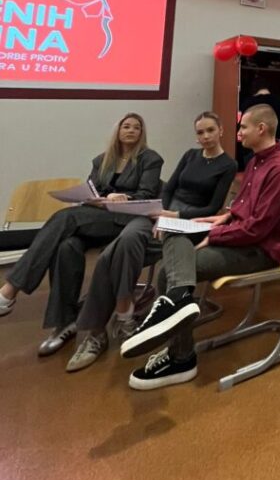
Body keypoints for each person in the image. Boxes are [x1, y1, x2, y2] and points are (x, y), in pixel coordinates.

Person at [121, 104, 280, 390]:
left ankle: (182, 358)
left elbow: (257, 229)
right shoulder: (255, 161)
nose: (239, 133)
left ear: (261, 129)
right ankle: (179, 304)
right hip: (241, 237)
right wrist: (225, 217)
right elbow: (243, 206)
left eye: (243, 127)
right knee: (176, 234)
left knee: (169, 273)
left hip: (260, 251)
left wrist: (215, 235)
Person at [66, 112, 237, 372]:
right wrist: (160, 213)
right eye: (200, 132)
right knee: (120, 246)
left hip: (191, 223)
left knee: (114, 251)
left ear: (221, 130)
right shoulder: (190, 156)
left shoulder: (228, 165)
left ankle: (99, 331)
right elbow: (168, 189)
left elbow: (212, 207)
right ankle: (121, 317)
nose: (205, 137)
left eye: (210, 130)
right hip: (162, 216)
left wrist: (172, 217)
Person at [0, 114, 162, 355]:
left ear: (142, 133)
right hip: (98, 218)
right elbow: (91, 191)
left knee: (64, 218)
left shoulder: (150, 159)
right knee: (67, 245)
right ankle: (65, 322)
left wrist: (122, 197)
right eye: (126, 126)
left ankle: (10, 290)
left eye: (136, 127)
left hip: (128, 220)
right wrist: (96, 198)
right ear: (117, 131)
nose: (131, 130)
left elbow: (147, 195)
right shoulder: (102, 160)